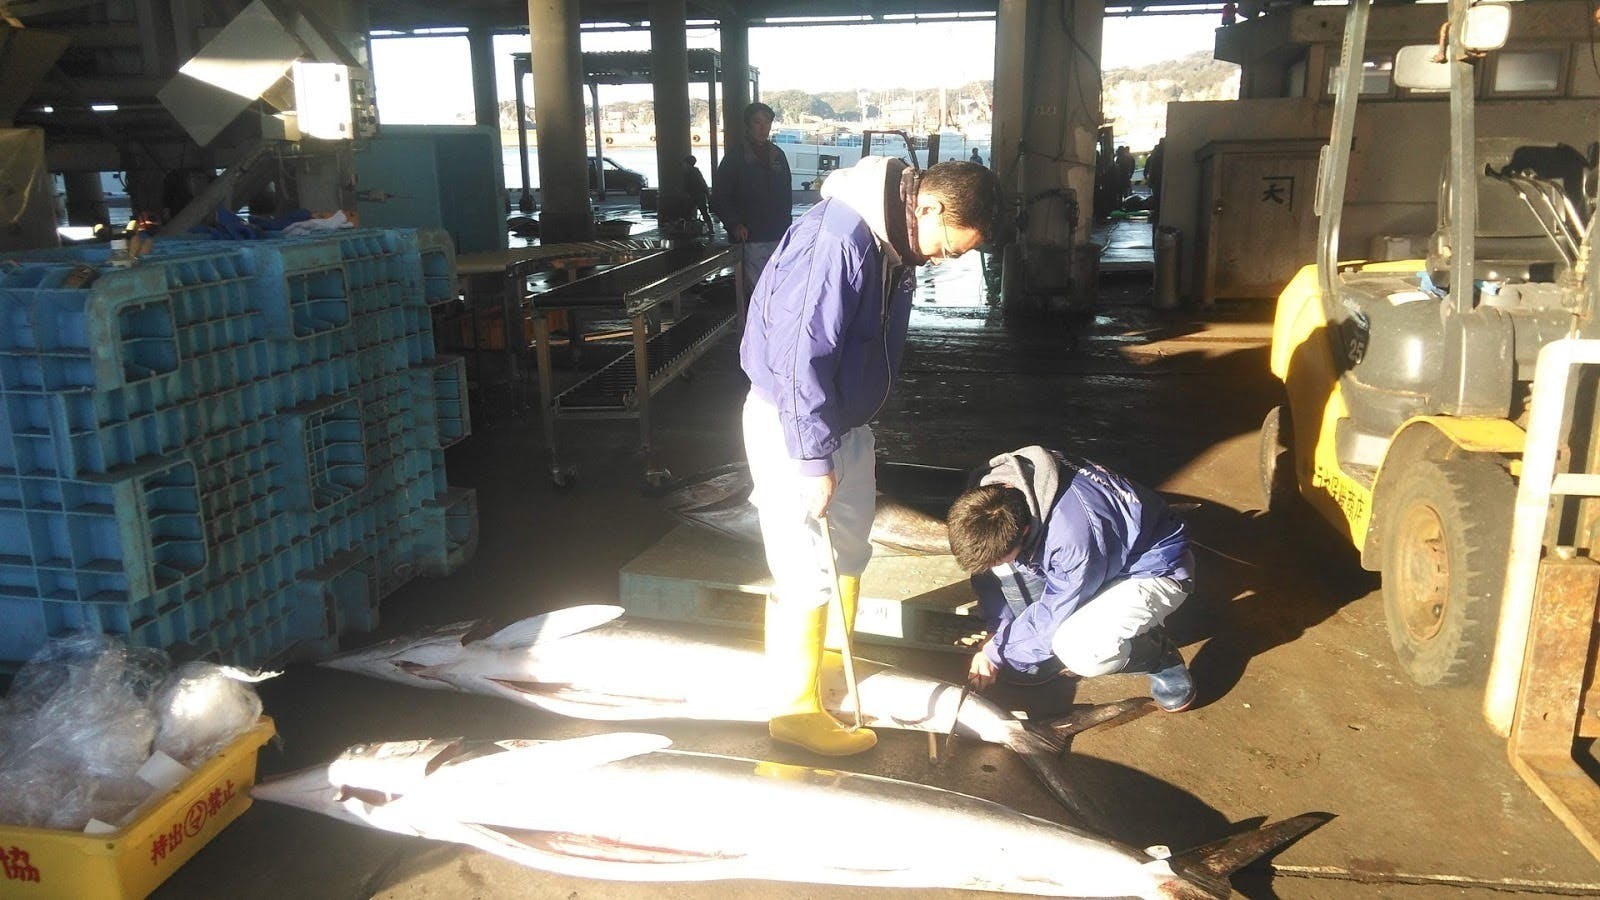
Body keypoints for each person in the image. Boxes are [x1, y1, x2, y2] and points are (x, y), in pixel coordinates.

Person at [741, 157, 1001, 756]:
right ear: (928, 207)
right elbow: (798, 355)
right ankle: (794, 710)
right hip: (793, 424)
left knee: (850, 547)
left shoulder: (892, 245)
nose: (943, 260)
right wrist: (811, 460)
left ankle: (832, 663)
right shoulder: (838, 241)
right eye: (948, 248)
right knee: (804, 565)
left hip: (846, 423)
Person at [946, 446, 1197, 712]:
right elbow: (989, 573)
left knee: (1076, 649)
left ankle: (1159, 657)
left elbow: (1056, 612)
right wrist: (998, 631)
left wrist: (997, 653)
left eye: (1000, 558)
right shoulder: (992, 491)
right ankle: (1032, 642)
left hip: (1154, 568)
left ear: (1025, 530)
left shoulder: (1072, 541)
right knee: (1004, 572)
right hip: (1100, 555)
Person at [713, 102, 792, 302]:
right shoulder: (735, 158)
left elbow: (786, 195)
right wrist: (734, 224)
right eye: (757, 122)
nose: (763, 127)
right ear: (748, 125)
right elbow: (720, 196)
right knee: (757, 290)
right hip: (750, 236)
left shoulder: (778, 156)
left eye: (767, 122)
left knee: (780, 287)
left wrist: (788, 227)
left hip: (778, 234)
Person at [683, 154, 714, 232]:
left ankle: (687, 230)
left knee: (687, 213)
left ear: (688, 163)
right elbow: (703, 183)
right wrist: (707, 194)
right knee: (704, 213)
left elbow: (701, 183)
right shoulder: (695, 171)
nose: (684, 165)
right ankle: (711, 230)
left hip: (696, 196)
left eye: (685, 163)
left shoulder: (689, 173)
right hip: (699, 195)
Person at [1144, 138, 1166, 217]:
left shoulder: (1154, 154)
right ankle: (1161, 212)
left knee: (1156, 197)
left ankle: (1157, 212)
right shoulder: (1166, 152)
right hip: (1162, 178)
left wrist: (1147, 178)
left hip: (1155, 180)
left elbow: (1149, 167)